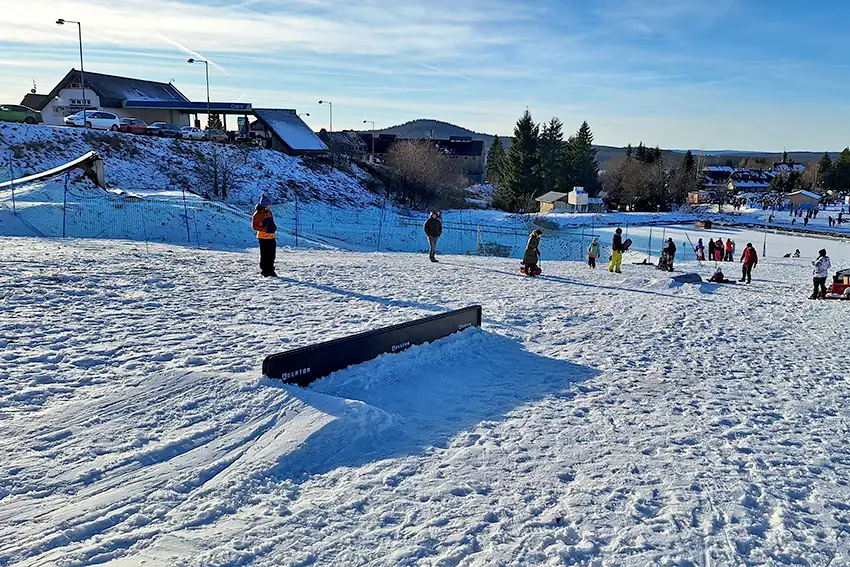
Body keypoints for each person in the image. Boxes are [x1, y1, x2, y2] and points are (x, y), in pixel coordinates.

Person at [251, 193, 277, 277]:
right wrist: (264, 229)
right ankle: (265, 271)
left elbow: (271, 222)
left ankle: (271, 270)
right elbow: (254, 226)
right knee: (265, 255)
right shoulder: (258, 214)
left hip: (271, 236)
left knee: (272, 255)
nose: (270, 206)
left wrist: (274, 227)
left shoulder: (269, 212)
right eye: (269, 205)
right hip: (263, 237)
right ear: (265, 205)